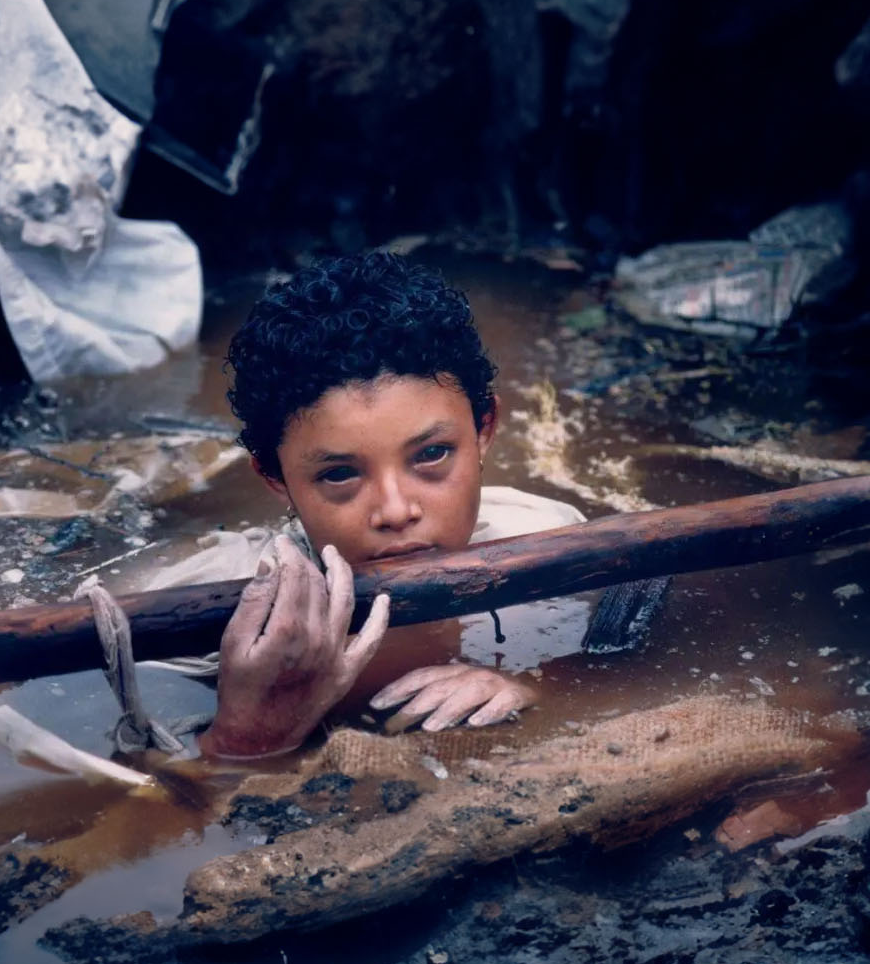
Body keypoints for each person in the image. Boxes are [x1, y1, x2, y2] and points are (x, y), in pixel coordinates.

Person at [132, 253, 586, 759]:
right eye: (340, 474)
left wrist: (532, 686)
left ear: (483, 431)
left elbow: (622, 660)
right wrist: (242, 739)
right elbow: (107, 791)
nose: (395, 511)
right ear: (275, 478)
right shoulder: (195, 622)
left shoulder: (550, 543)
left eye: (432, 455)